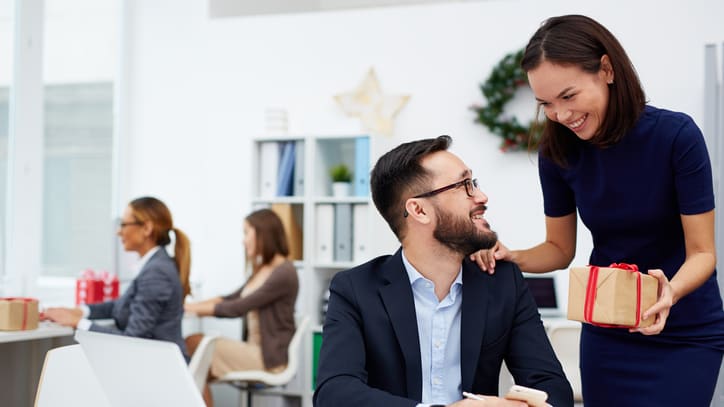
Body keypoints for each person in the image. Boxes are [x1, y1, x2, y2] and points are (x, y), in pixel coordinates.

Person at [471, 14, 724, 406]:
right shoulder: (557, 153)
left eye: (568, 96)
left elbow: (703, 254)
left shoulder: (676, 136)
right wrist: (513, 256)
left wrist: (669, 291)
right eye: (546, 104)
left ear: (606, 69)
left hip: (683, 329)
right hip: (608, 329)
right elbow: (558, 249)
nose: (560, 115)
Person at [314, 135, 573, 407]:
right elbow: (335, 393)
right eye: (465, 186)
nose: (481, 196)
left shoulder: (502, 281)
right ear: (418, 210)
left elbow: (553, 389)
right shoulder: (355, 288)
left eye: (475, 183)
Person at [42, 196, 191, 359]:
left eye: (124, 224)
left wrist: (78, 323)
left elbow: (133, 339)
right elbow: (119, 306)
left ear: (147, 228)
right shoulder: (156, 265)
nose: (119, 231)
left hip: (161, 367)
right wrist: (81, 311)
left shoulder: (156, 272)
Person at [184, 208, 299, 407]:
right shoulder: (263, 269)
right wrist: (188, 305)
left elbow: (237, 308)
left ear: (263, 234)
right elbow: (230, 297)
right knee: (194, 365)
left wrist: (188, 310)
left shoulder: (284, 272)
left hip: (267, 358)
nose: (243, 240)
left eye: (246, 233)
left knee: (193, 346)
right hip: (253, 350)